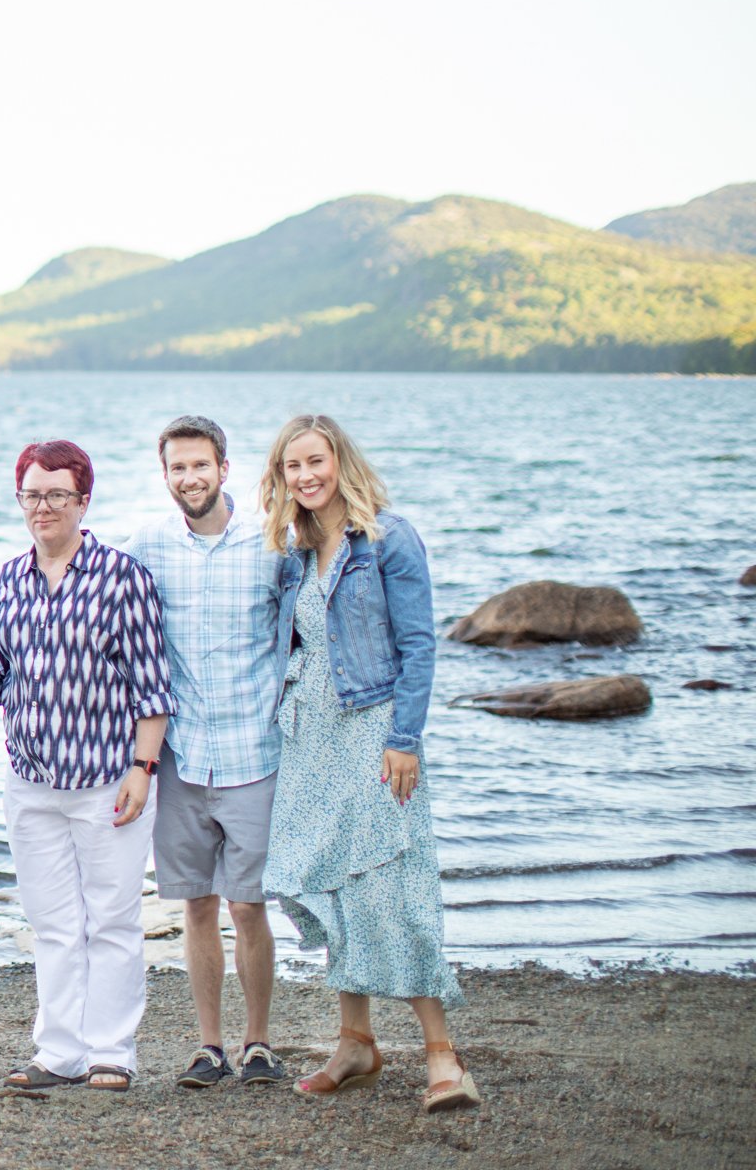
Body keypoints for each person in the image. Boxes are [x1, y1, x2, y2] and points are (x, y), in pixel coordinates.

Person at [260, 414, 480, 1114]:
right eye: (293, 467)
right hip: (309, 734)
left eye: (316, 461)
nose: (306, 476)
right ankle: (355, 1042)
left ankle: (444, 1058)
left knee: (393, 884)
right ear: (281, 477)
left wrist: (405, 739)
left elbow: (420, 647)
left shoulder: (388, 537)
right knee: (330, 884)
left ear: (339, 461)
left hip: (373, 730)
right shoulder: (293, 551)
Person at [0, 440, 172, 1093]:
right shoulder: (8, 579)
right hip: (31, 782)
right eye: (33, 494)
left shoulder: (123, 577)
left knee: (114, 917)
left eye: (57, 494)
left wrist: (142, 768)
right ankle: (59, 1051)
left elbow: (152, 688)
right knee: (53, 922)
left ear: (83, 500)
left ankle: (112, 1052)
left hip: (107, 779)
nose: (44, 507)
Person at [118, 416, 290, 1088]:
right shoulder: (148, 546)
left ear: (224, 468)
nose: (189, 478)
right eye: (177, 468)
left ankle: (258, 1043)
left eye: (200, 465)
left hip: (254, 750)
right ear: (165, 475)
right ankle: (209, 1046)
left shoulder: (270, 543)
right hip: (182, 755)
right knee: (194, 905)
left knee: (248, 904)